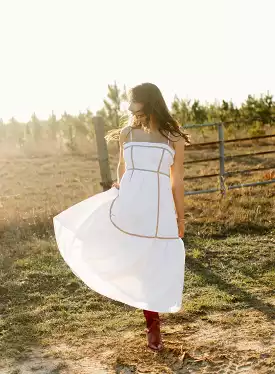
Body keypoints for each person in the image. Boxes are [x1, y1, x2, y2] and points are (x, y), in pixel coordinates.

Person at [53, 82, 190, 352]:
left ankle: (153, 322)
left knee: (157, 262)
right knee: (134, 258)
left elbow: (177, 181)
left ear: (148, 101)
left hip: (160, 208)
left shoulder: (173, 137)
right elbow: (122, 167)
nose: (130, 106)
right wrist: (119, 189)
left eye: (134, 100)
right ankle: (152, 325)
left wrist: (180, 217)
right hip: (132, 202)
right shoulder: (127, 133)